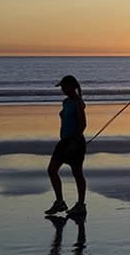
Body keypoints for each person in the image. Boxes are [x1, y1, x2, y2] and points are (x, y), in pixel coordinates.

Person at [45, 75, 87, 217]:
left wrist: (75, 142)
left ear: (72, 86)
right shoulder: (66, 102)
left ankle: (81, 204)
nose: (62, 89)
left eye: (64, 87)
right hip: (63, 141)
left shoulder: (78, 102)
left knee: (77, 173)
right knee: (52, 170)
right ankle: (60, 202)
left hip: (75, 142)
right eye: (62, 87)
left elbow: (82, 124)